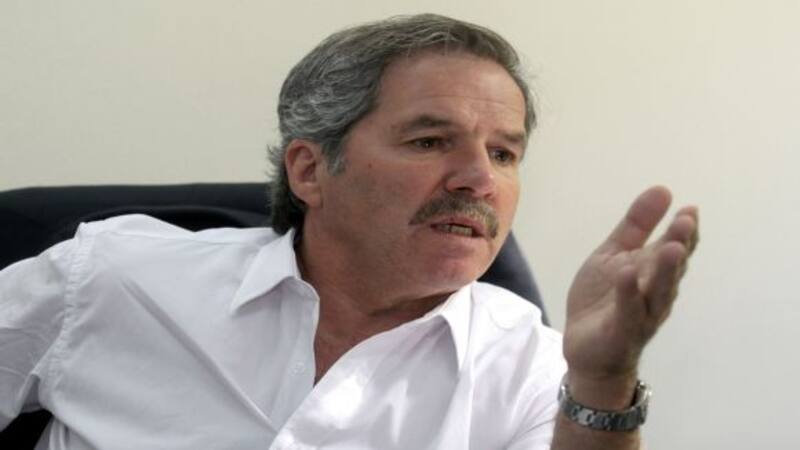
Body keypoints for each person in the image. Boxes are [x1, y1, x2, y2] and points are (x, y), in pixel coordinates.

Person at [0, 14, 698, 450]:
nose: (478, 179)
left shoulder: (537, 368)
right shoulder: (107, 278)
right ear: (310, 170)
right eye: (430, 142)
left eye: (503, 153)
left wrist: (604, 379)